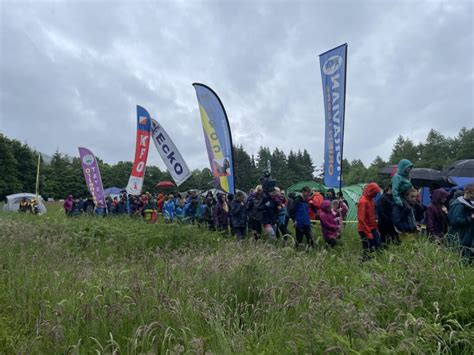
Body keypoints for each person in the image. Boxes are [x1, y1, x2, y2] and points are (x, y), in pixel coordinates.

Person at [447, 183, 474, 262]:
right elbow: (454, 221)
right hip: (458, 237)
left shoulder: (470, 204)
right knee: (456, 259)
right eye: (473, 194)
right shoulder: (458, 205)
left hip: (467, 237)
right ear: (466, 192)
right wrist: (470, 218)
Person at [357, 183, 382, 259]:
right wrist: (368, 233)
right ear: (371, 191)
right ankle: (363, 262)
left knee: (378, 245)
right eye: (375, 193)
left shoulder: (371, 200)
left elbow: (372, 216)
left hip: (372, 228)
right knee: (367, 248)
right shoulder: (363, 201)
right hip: (364, 229)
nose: (376, 195)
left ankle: (374, 262)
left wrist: (376, 229)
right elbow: (361, 219)